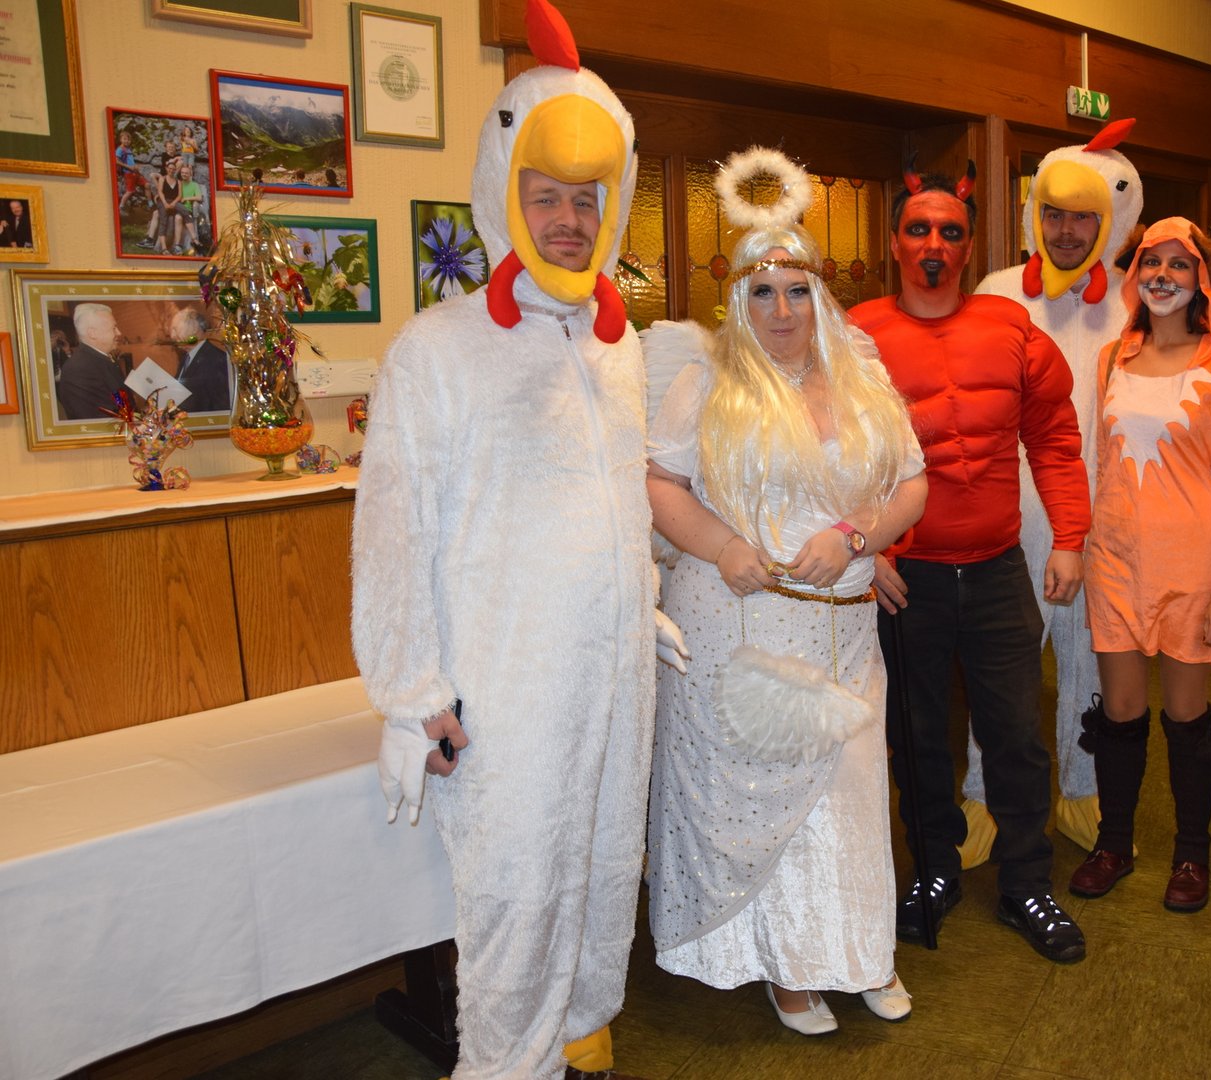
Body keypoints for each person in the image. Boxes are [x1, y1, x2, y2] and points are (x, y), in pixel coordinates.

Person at [350, 3, 686, 1077]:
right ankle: (505, 1063)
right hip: (506, 683)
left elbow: (617, 498)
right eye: (546, 196)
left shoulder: (618, 349)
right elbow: (392, 534)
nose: (569, 220)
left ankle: (580, 1031)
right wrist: (413, 692)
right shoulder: (438, 351)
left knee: (604, 863)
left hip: (613, 670)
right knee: (517, 894)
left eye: (587, 200)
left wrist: (642, 602)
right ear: (504, 193)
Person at [644, 149, 928, 1036]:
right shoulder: (706, 383)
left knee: (849, 792)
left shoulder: (864, 377)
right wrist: (724, 545)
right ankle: (786, 966)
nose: (781, 311)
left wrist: (858, 537)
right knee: (769, 804)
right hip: (742, 632)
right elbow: (658, 485)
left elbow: (911, 483)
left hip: (845, 632)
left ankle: (859, 951)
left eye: (796, 291)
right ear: (737, 301)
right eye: (762, 293)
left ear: (819, 295)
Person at [850, 164, 1091, 964]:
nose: (934, 243)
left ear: (968, 247)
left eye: (950, 231)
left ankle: (1027, 883)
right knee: (916, 736)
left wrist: (1069, 537)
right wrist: (867, 547)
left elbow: (1054, 437)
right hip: (906, 578)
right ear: (895, 242)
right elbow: (826, 452)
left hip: (995, 571)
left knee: (1016, 734)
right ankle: (934, 870)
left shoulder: (1011, 328)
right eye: (919, 228)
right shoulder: (854, 338)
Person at [1069, 216, 1211, 915]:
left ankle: (1191, 855)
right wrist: (1077, 546)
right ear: (1136, 276)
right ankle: (1113, 845)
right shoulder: (1111, 359)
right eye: (1152, 262)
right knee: (1119, 713)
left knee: (1185, 716)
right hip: (1115, 559)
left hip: (1192, 564)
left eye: (1180, 265)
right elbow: (1097, 464)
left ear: (1201, 279)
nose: (1164, 276)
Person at [969, 120, 1143, 859]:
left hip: (1107, 516)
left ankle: (1082, 790)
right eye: (1054, 214)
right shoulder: (997, 293)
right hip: (1013, 515)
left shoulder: (1136, 301)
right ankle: (980, 798)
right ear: (1034, 215)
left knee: (1091, 665)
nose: (1067, 231)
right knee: (1003, 667)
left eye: (1083, 217)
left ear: (1111, 221)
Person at [58, 304, 126, 420]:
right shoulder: (78, 370)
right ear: (92, 333)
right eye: (114, 328)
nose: (119, 333)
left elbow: (118, 396)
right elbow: (105, 419)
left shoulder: (102, 359)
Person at [170, 308, 232, 412]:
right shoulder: (186, 358)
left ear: (193, 328)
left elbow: (220, 405)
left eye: (175, 330)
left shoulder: (215, 359)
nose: (173, 336)